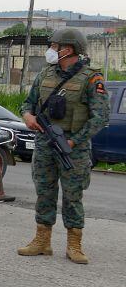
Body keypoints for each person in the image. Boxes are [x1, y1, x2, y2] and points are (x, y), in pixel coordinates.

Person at [17, 28, 109, 264]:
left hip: (72, 148)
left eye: (55, 46)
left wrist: (74, 140)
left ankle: (74, 245)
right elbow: (28, 103)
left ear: (68, 49)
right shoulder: (46, 73)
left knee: (73, 195)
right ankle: (42, 241)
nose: (51, 50)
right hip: (45, 142)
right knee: (44, 192)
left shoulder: (91, 78)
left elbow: (100, 117)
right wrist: (27, 116)